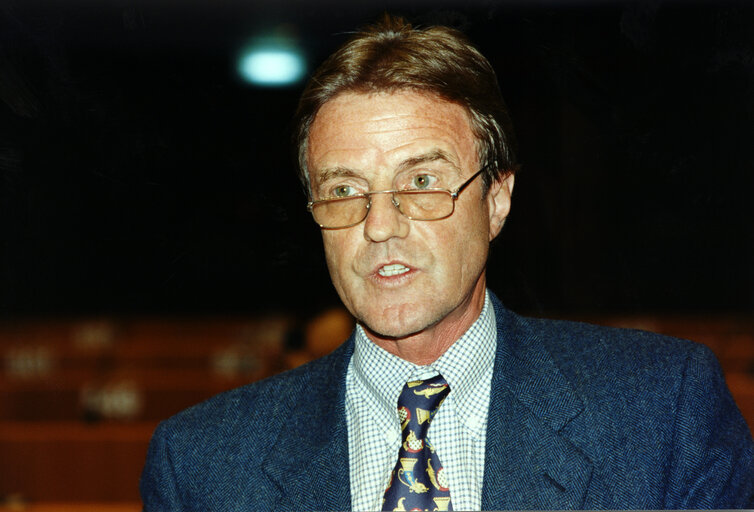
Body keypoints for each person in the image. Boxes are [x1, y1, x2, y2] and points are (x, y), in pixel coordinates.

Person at [140, 15, 754, 510]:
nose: (379, 226)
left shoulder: (661, 412)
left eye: (423, 180)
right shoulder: (201, 467)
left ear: (497, 200)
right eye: (345, 190)